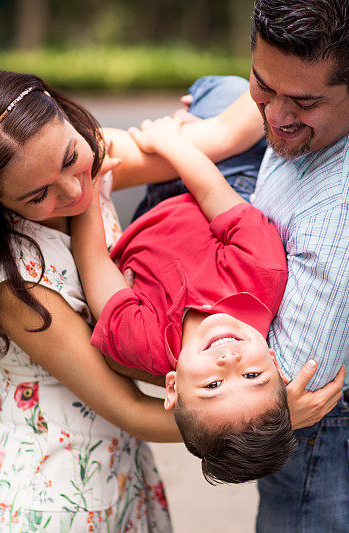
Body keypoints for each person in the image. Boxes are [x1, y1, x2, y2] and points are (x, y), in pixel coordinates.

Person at [0, 69, 343, 531]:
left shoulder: (73, 156)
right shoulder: (12, 281)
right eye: (37, 196)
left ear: (64, 118)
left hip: (116, 465)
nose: (74, 191)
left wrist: (342, 59)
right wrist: (262, 418)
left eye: (72, 158)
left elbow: (228, 133)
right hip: (52, 493)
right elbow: (129, 407)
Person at [130, 1, 349, 530]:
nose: (274, 115)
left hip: (337, 434)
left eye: (303, 102)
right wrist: (220, 129)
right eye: (263, 87)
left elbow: (273, 385)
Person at [70, 115, 305, 485]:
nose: (230, 361)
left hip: (145, 219)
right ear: (274, 360)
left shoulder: (139, 343)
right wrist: (169, 140)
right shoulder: (262, 274)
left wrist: (88, 188)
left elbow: (95, 263)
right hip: (215, 181)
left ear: (173, 388)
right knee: (225, 104)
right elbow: (214, 192)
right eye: (253, 374)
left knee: (93, 148)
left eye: (213, 386)